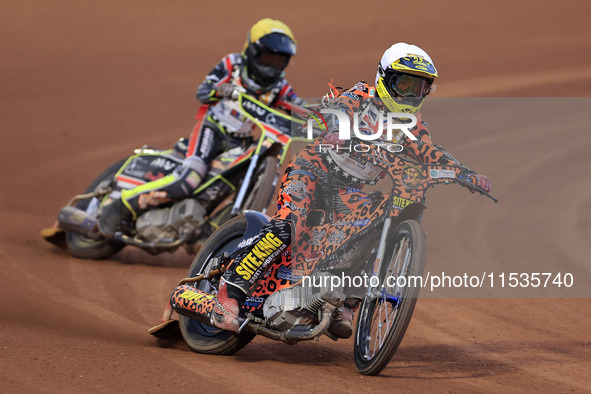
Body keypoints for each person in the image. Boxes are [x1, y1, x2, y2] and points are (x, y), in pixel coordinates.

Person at [210, 43, 492, 336]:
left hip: (347, 191)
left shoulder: (414, 126)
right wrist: (334, 130)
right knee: (288, 226)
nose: (411, 94)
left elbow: (430, 153)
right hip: (313, 171)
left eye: (419, 87)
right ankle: (229, 294)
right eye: (404, 83)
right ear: (384, 79)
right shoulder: (360, 96)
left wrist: (465, 173)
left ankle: (343, 299)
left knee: (376, 221)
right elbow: (338, 111)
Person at [98, 18, 302, 237]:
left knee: (237, 178)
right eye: (267, 57)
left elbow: (300, 107)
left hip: (240, 142)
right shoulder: (232, 65)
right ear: (253, 51)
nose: (272, 65)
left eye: (278, 61)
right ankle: (118, 207)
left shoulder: (280, 87)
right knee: (189, 180)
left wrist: (326, 119)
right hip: (212, 130)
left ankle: (213, 232)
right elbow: (202, 91)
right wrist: (220, 90)